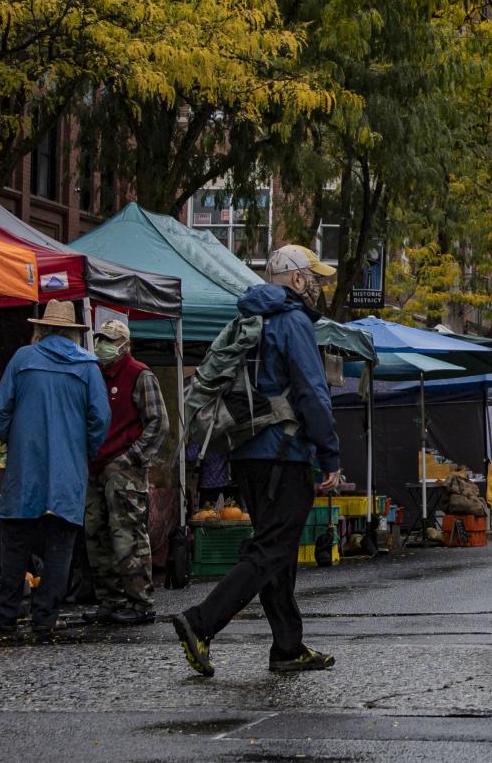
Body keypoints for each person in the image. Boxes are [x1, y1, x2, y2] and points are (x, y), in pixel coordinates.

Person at [173, 245, 342, 676]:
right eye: (314, 278)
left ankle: (288, 646)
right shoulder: (292, 322)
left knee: (277, 551)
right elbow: (311, 392)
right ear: (298, 280)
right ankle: (201, 622)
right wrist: (330, 455)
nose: (318, 287)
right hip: (283, 453)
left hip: (245, 452)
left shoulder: (249, 317)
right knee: (272, 548)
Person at [0, 301, 111, 642]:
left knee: (15, 544)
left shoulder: (22, 359)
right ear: (73, 332)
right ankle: (45, 616)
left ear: (41, 328)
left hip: (24, 469)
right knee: (60, 547)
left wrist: (15, 437)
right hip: (66, 472)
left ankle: (7, 615)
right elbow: (100, 419)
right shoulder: (88, 367)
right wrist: (82, 450)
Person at [82, 320, 168, 627]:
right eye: (101, 339)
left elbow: (158, 422)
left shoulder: (139, 375)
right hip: (96, 464)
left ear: (125, 344)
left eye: (111, 340)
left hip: (122, 466)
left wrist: (132, 458)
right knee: (96, 533)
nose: (104, 344)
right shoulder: (95, 374)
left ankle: (140, 601)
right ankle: (111, 599)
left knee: (127, 535)